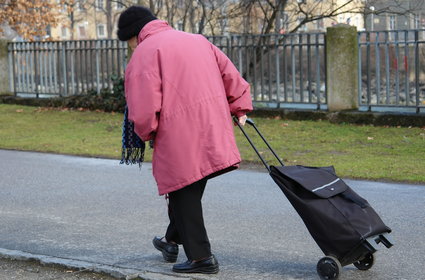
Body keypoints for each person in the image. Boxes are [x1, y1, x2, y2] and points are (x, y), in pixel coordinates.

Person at [117, 6, 253, 274]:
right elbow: (231, 76)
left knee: (181, 191)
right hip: (212, 125)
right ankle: (171, 240)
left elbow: (143, 108)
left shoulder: (145, 52)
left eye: (128, 42)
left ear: (133, 35)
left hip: (177, 131)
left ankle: (202, 258)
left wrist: (147, 132)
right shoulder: (197, 40)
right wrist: (240, 107)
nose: (130, 47)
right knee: (189, 186)